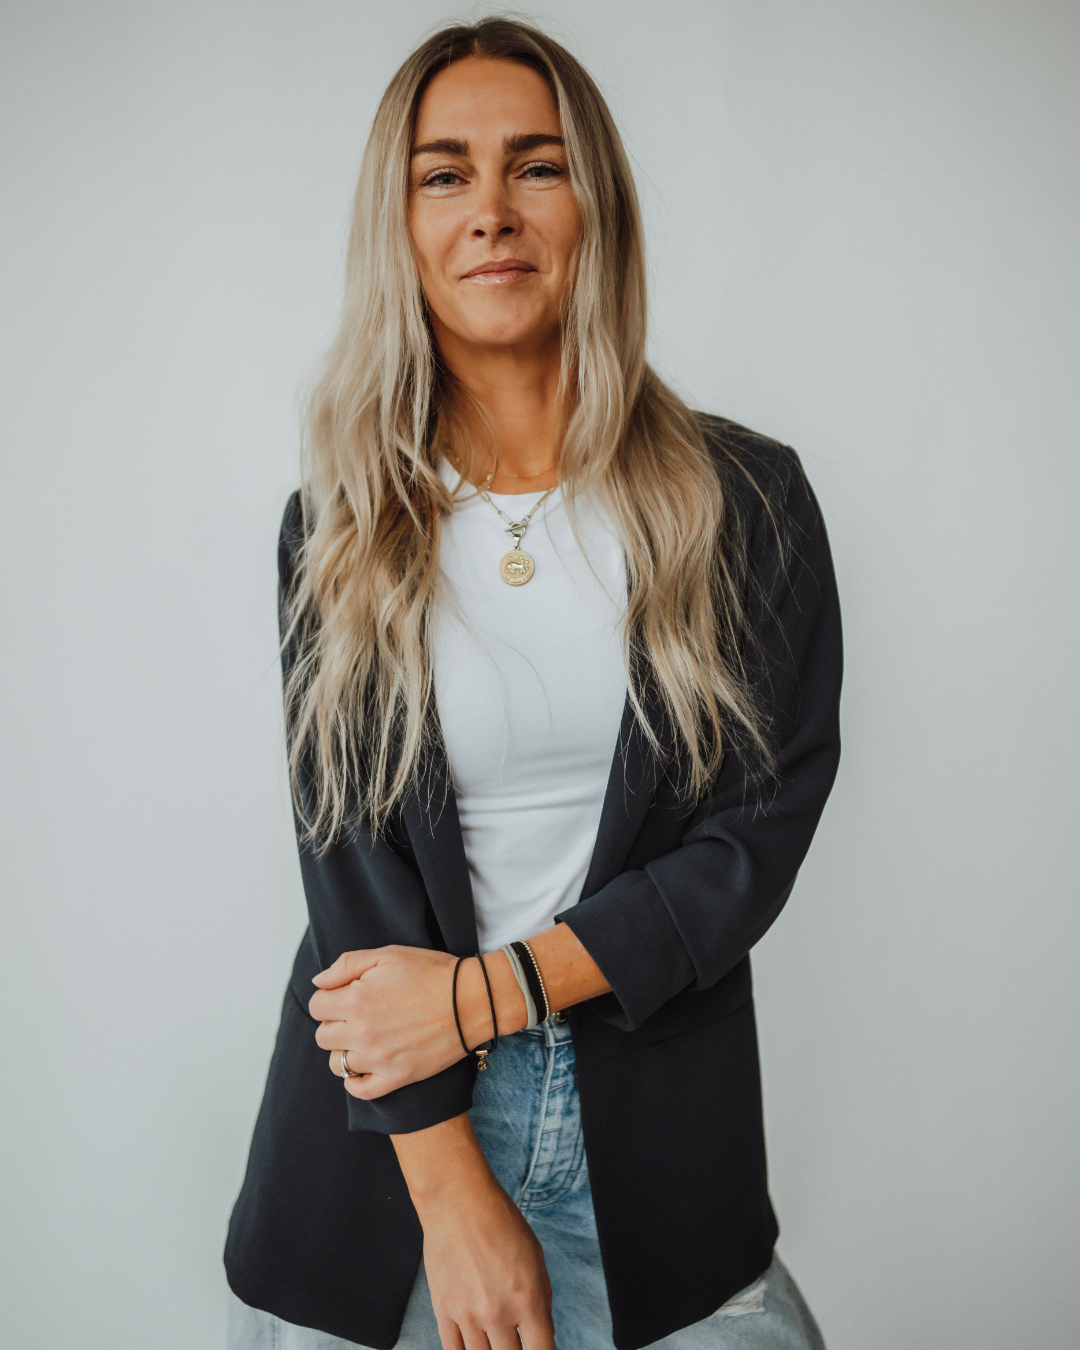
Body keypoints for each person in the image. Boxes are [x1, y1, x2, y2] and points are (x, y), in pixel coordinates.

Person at [224, 17, 842, 1350]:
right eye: (445, 175)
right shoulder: (332, 527)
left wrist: (485, 992)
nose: (492, 211)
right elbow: (351, 876)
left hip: (657, 1119)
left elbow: (749, 845)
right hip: (385, 1135)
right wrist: (452, 1190)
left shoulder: (749, 503)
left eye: (536, 167)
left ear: (595, 205)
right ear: (400, 223)